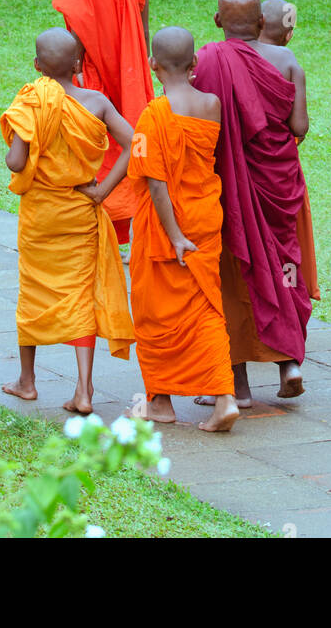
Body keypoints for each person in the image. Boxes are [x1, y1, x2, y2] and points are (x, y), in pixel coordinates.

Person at [0, 27, 135, 414]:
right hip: (80, 211)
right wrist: (104, 190)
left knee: (33, 292)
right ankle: (84, 390)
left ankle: (27, 381)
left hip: (42, 216)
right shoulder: (97, 102)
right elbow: (133, 144)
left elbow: (16, 162)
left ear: (37, 65)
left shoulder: (31, 101)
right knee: (79, 297)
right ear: (78, 64)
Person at [192, 0, 312, 408]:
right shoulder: (286, 60)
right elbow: (299, 128)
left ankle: (237, 385)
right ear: (262, 23)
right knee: (284, 267)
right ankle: (289, 366)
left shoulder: (206, 59)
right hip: (278, 184)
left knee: (234, 273)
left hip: (230, 186)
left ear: (218, 21)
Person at [128, 27, 239, 434]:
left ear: (153, 65)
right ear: (194, 64)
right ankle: (223, 397)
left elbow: (155, 180)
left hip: (169, 226)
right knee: (207, 307)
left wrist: (173, 234)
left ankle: (160, 402)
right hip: (206, 217)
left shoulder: (153, 114)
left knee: (156, 311)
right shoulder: (212, 104)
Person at [52, 0, 154, 243]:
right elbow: (142, 30)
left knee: (99, 147)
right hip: (131, 72)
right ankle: (128, 223)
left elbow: (76, 33)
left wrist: (76, 70)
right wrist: (141, 68)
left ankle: (99, 225)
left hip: (95, 73)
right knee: (130, 139)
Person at [258, 0, 319, 302]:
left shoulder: (233, 56)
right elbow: (300, 127)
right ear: (289, 33)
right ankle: (286, 296)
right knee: (285, 235)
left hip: (242, 166)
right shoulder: (289, 61)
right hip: (279, 169)